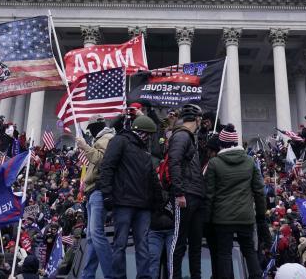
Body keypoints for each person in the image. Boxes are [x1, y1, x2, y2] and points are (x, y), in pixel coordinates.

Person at [100, 115, 161, 279]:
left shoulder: (144, 151)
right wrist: (107, 195)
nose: (148, 137)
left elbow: (152, 178)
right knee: (120, 244)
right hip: (124, 203)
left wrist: (158, 202)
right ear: (140, 132)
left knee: (142, 245)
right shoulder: (119, 141)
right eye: (147, 134)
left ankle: (144, 277)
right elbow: (107, 167)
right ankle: (119, 276)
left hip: (143, 206)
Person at [204, 124, 267, 279]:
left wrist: (206, 221)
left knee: (224, 253)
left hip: (222, 218)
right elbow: (259, 192)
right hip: (246, 217)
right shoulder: (250, 162)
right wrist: (260, 216)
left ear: (221, 144)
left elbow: (209, 195)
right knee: (249, 251)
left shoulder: (214, 163)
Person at [168, 103, 207, 279]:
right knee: (179, 242)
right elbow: (173, 162)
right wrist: (179, 192)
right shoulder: (181, 136)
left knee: (196, 243)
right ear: (197, 119)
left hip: (197, 195)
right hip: (185, 195)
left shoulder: (191, 138)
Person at [76, 114, 115, 279]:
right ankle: (88, 274)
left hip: (99, 190)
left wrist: (84, 146)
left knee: (97, 235)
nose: (89, 132)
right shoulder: (101, 139)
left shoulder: (106, 138)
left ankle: (111, 274)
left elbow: (100, 159)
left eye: (90, 129)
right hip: (92, 191)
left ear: (95, 127)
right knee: (92, 237)